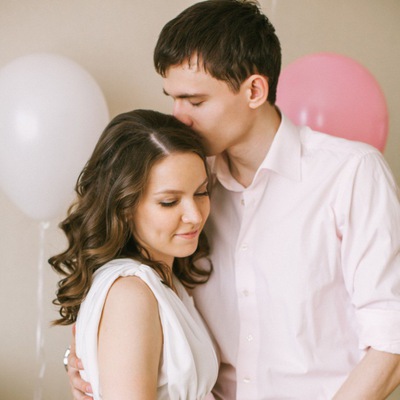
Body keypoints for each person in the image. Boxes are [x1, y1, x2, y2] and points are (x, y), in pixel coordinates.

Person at [68, 1, 400, 399]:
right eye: (173, 98)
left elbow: (392, 336)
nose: (178, 118)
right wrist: (88, 358)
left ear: (254, 91)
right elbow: (134, 293)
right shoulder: (187, 184)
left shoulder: (350, 174)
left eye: (195, 102)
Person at [50, 109, 219, 399]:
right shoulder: (131, 294)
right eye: (169, 202)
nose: (195, 216)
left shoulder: (164, 281)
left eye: (201, 192)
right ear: (124, 207)